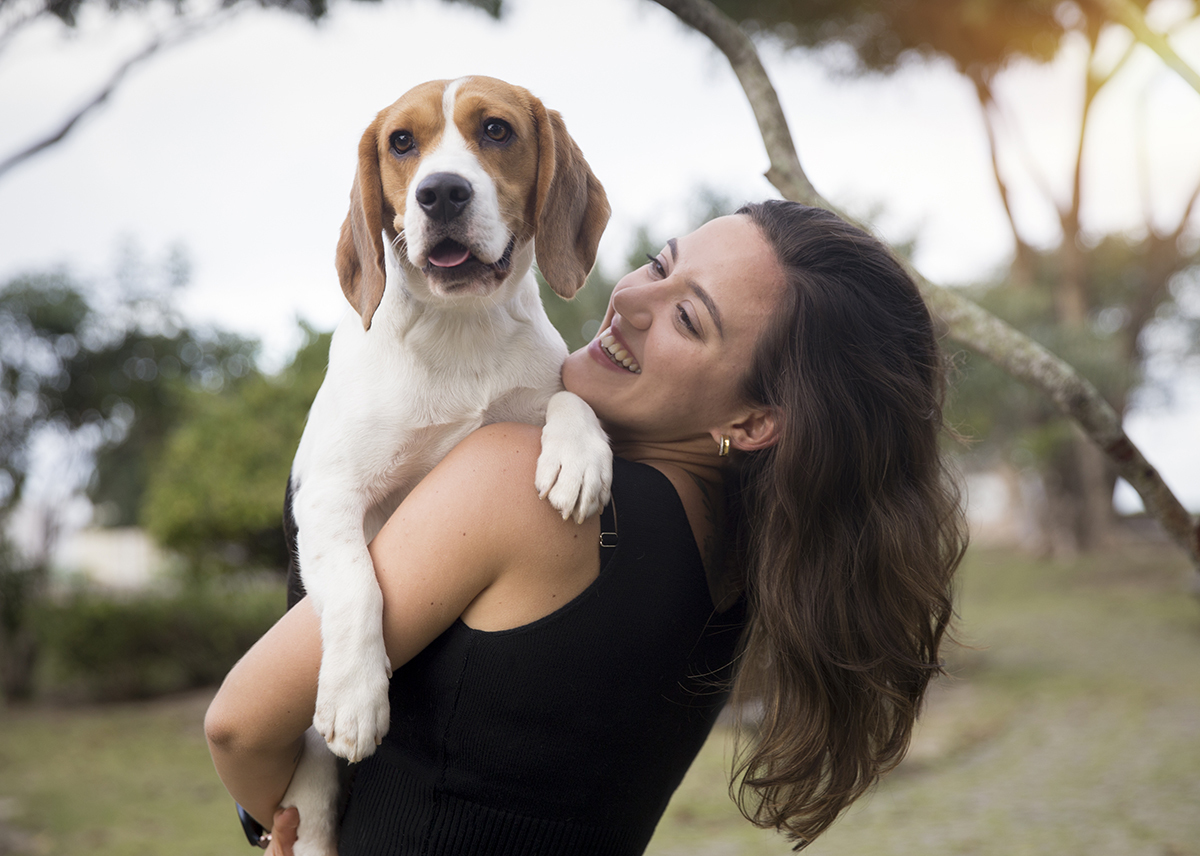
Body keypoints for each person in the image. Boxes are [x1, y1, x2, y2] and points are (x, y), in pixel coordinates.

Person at [205, 200, 968, 854]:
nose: (632, 300)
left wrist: (275, 813)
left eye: (687, 317)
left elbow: (239, 725)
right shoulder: (744, 562)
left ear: (755, 419)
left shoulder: (515, 480)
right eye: (657, 264)